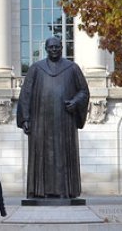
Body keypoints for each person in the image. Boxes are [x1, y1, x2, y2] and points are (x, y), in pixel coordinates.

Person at [16, 37, 90, 199]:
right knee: (41, 155)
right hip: (40, 121)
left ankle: (66, 191)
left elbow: (84, 91)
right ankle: (39, 191)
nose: (54, 50)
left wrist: (75, 102)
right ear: (46, 49)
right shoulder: (36, 68)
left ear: (62, 48)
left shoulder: (72, 68)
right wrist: (25, 119)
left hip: (65, 120)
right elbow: (25, 94)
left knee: (64, 155)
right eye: (51, 47)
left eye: (57, 47)